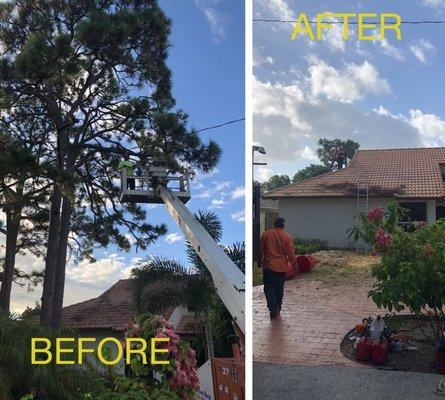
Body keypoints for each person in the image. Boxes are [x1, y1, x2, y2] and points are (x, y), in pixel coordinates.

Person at [259, 217, 297, 319]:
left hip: (269, 266)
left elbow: (261, 249)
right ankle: (278, 307)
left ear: (275, 224)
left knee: (269, 287)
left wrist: (259, 261)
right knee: (279, 288)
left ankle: (273, 308)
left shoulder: (266, 234)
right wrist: (294, 265)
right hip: (282, 267)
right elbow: (291, 253)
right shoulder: (287, 237)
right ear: (283, 225)